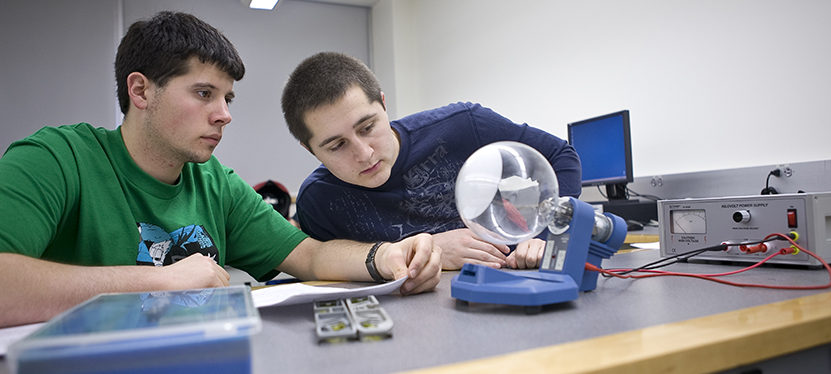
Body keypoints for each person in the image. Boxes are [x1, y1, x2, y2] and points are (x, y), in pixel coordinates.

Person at [0, 12, 440, 329]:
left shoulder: (216, 184)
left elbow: (309, 255)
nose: (224, 114)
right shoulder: (56, 159)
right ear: (141, 91)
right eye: (204, 93)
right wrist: (159, 280)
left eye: (227, 99)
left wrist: (383, 255)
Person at [281, 52, 581, 271]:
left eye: (368, 127)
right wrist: (429, 250)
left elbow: (561, 156)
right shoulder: (318, 201)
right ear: (310, 150)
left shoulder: (464, 124)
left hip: (516, 285)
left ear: (383, 105)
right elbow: (328, 271)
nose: (365, 154)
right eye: (337, 145)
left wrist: (547, 237)